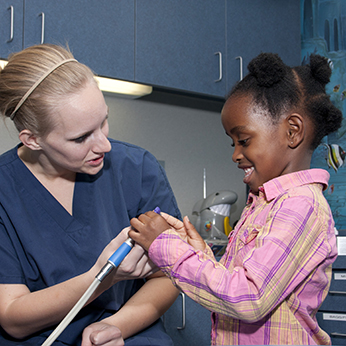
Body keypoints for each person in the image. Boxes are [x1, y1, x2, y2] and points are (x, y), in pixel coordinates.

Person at [129, 53, 342, 345]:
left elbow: (248, 298)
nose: (235, 155)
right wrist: (198, 252)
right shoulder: (265, 204)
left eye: (244, 141)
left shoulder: (300, 205)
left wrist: (166, 247)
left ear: (292, 132)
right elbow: (235, 281)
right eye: (233, 143)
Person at [0, 44, 181, 346]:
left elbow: (167, 276)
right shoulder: (5, 191)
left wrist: (115, 327)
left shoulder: (136, 169)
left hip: (128, 332)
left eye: (103, 122)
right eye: (81, 137)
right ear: (32, 140)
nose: (104, 145)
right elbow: (12, 315)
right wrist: (101, 276)